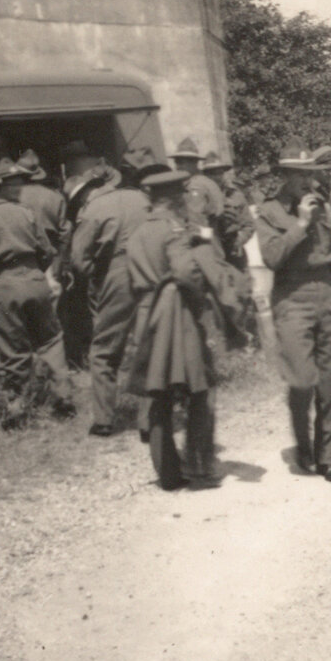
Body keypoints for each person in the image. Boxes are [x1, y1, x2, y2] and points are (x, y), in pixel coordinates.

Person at [256, 142, 331, 483]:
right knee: (301, 380)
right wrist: (300, 224)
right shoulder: (270, 211)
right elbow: (271, 257)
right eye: (299, 174)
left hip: (327, 294)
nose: (306, 181)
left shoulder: (324, 204)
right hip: (291, 298)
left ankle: (328, 456)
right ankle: (304, 444)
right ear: (284, 176)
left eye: (310, 174)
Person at [124, 170, 222, 488]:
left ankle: (166, 472)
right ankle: (198, 465)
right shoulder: (174, 230)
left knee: (157, 395)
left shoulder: (137, 233)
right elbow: (186, 273)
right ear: (174, 198)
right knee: (199, 388)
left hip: (145, 316)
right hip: (177, 316)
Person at [0, 157, 73, 412]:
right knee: (50, 340)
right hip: (36, 279)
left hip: (5, 284)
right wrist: (33, 270)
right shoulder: (25, 212)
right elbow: (47, 251)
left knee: (13, 347)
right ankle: (63, 397)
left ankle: (20, 406)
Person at [68, 163, 151, 437]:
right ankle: (152, 418)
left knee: (104, 350)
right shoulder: (142, 197)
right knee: (148, 344)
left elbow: (79, 261)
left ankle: (104, 420)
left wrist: (100, 276)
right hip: (153, 271)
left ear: (89, 191)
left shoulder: (93, 210)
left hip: (118, 275)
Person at [16, 149, 71, 287]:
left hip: (24, 263)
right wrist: (62, 263)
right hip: (52, 263)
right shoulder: (55, 197)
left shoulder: (13, 198)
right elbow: (65, 233)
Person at [201, 151, 254, 269]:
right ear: (205, 176)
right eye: (212, 174)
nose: (217, 177)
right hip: (211, 251)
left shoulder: (235, 194)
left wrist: (240, 240)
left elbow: (249, 225)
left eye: (219, 173)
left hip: (233, 249)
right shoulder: (200, 197)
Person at [169, 137, 224, 228]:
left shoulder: (195, 186)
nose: (177, 167)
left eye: (181, 163)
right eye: (176, 162)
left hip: (201, 236)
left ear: (194, 163)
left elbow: (194, 221)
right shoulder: (205, 181)